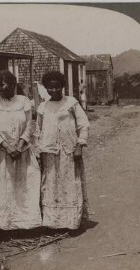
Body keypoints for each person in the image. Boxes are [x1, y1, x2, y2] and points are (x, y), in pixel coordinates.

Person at [0, 70, 42, 230]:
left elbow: (30, 125)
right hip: (2, 154)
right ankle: (4, 225)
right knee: (3, 188)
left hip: (22, 152)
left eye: (1, 85)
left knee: (24, 187)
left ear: (12, 84)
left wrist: (19, 145)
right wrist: (8, 147)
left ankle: (25, 224)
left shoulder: (24, 102)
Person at [37, 71, 90, 229]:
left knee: (69, 183)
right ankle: (52, 222)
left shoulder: (71, 103)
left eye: (57, 87)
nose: (53, 91)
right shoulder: (42, 107)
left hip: (69, 151)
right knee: (51, 184)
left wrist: (80, 145)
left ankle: (71, 221)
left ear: (62, 87)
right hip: (49, 152)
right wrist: (39, 151)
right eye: (50, 88)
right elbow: (38, 130)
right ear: (45, 88)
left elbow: (83, 124)